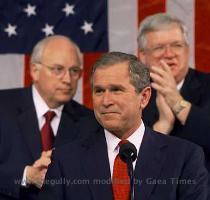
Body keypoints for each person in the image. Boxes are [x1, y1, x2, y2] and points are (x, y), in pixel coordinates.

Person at [38, 52, 208, 200]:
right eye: (99, 91)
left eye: (116, 90)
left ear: (144, 97)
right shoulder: (65, 160)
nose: (106, 101)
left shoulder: (184, 157)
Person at [0, 35, 95, 200]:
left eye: (74, 71)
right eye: (58, 69)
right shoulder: (3, 106)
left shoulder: (90, 122)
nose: (67, 79)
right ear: (35, 71)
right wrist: (26, 175)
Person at [138, 13, 210, 171]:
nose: (169, 54)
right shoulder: (133, 95)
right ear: (143, 56)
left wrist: (177, 102)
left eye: (177, 45)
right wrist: (162, 126)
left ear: (187, 50)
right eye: (159, 47)